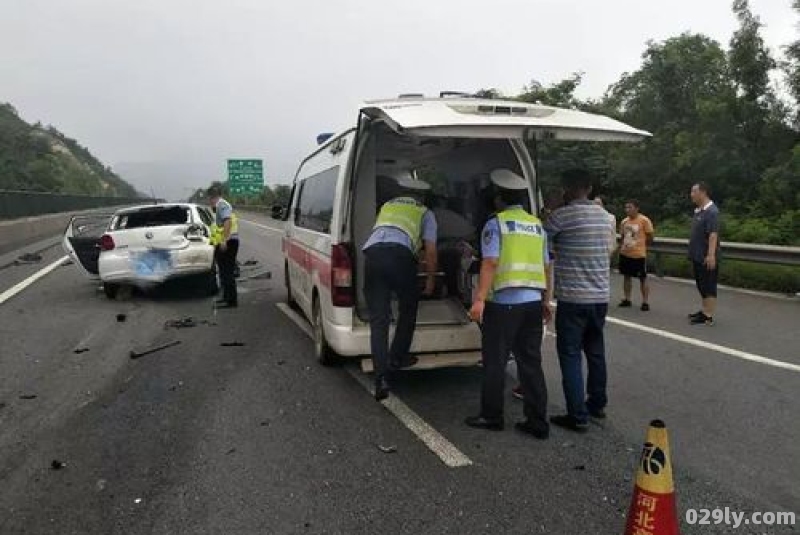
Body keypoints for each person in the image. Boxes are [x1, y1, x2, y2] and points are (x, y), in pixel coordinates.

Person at [465, 169, 552, 439]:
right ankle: (537, 421)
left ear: (499, 198)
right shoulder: (537, 225)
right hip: (531, 304)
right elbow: (547, 264)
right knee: (530, 363)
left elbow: (490, 262)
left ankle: (491, 416)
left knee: (495, 361)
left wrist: (478, 299)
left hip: (503, 304)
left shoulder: (497, 224)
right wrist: (546, 299)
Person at [545, 168, 614, 433]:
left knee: (570, 354)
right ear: (589, 187)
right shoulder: (605, 217)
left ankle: (577, 414)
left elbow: (541, 239)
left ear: (568, 188)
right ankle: (597, 403)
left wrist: (549, 209)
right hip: (600, 296)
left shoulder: (562, 216)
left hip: (573, 298)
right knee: (596, 351)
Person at [363, 172, 438, 401]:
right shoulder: (425, 212)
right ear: (422, 196)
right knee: (408, 308)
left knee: (379, 320)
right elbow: (431, 250)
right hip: (400, 257)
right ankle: (397, 358)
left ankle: (381, 379)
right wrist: (430, 280)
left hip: (373, 255)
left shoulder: (387, 205)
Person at [688, 182, 720, 326]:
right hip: (697, 254)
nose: (691, 195)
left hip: (706, 255)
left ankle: (708, 315)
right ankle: (704, 310)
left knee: (709, 284)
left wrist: (711, 255)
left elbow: (713, 234)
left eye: (694, 192)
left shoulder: (712, 211)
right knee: (701, 284)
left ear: (703, 192)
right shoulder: (698, 211)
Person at [617, 199, 654, 311]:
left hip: (638, 254)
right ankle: (627, 299)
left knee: (642, 278)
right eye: (626, 207)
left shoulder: (644, 220)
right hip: (625, 253)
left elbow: (650, 235)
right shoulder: (624, 221)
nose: (627, 210)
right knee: (626, 276)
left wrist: (642, 245)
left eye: (630, 207)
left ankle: (645, 301)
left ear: (637, 208)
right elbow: (622, 236)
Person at [207, 185, 240, 308]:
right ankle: (226, 297)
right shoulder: (218, 206)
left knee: (227, 272)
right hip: (224, 242)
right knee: (223, 271)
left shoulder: (222, 205)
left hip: (228, 242)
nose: (209, 201)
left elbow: (227, 221)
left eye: (209, 199)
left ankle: (231, 300)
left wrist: (224, 240)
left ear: (213, 197)